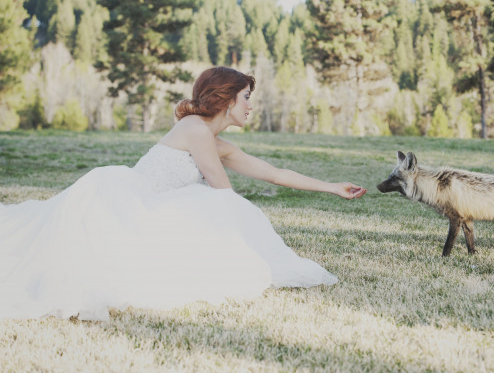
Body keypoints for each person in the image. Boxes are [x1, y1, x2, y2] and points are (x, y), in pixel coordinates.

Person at [0, 66, 366, 321]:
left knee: (214, 205)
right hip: (121, 204)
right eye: (246, 97)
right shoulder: (194, 129)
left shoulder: (216, 141)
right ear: (226, 99)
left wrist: (332, 187)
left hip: (150, 211)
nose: (251, 106)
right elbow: (221, 188)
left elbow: (273, 173)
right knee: (219, 204)